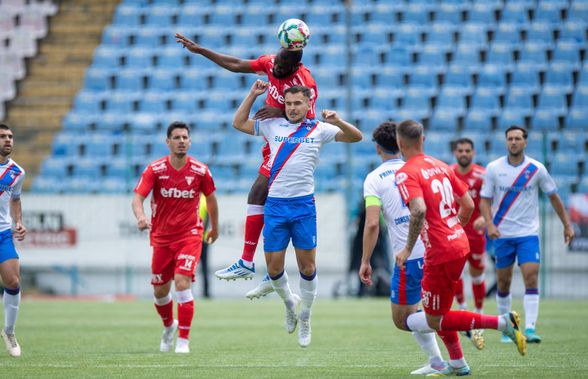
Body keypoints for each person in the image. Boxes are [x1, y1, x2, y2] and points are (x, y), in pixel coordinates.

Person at [175, 33, 318, 300]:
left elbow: (310, 120)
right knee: (266, 200)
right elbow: (237, 64)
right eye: (274, 64)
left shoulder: (305, 81)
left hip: (290, 146)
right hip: (272, 142)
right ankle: (269, 273)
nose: (274, 68)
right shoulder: (272, 62)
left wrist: (280, 110)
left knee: (260, 194)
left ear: (293, 67)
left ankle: (250, 263)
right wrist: (201, 50)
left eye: (280, 68)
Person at [233, 80, 362, 347]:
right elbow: (238, 123)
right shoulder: (272, 125)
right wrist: (252, 94)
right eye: (288, 103)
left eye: (297, 103)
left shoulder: (319, 129)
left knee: (308, 267)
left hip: (303, 206)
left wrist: (338, 121)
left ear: (307, 104)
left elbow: (356, 136)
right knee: (274, 268)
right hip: (276, 206)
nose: (292, 108)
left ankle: (306, 315)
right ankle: (290, 302)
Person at [395, 120, 527, 375]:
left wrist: (407, 248)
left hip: (440, 252)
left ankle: (503, 322)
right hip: (459, 242)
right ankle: (457, 363)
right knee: (440, 310)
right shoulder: (441, 165)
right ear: (423, 140)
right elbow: (466, 205)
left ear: (400, 143)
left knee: (434, 318)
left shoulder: (406, 172)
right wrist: (454, 228)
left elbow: (419, 209)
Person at [359, 121, 446, 375]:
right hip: (436, 248)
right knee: (417, 310)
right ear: (399, 144)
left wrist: (365, 260)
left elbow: (372, 223)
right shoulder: (419, 168)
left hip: (409, 256)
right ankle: (438, 361)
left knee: (402, 320)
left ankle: (460, 322)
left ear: (377, 149)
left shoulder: (374, 179)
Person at [479, 125, 575, 344]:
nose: (514, 142)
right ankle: (508, 329)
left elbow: (553, 197)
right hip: (502, 234)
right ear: (506, 142)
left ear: (525, 142)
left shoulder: (536, 168)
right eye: (510, 138)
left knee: (531, 277)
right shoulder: (494, 168)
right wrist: (489, 224)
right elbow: (484, 200)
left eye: (518, 138)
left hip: (527, 234)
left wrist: (567, 225)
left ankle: (530, 328)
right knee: (503, 282)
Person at [132, 121, 219, 354]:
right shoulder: (155, 169)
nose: (181, 141)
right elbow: (138, 198)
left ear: (190, 142)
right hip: (161, 237)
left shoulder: (200, 170)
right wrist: (141, 218)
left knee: (182, 281)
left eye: (185, 138)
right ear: (168, 142)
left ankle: (183, 340)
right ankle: (169, 326)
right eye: (177, 137)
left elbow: (211, 200)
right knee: (160, 292)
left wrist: (215, 228)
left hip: (190, 234)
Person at [450, 138, 487, 347]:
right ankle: (463, 311)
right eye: (460, 150)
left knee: (477, 273)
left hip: (475, 232)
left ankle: (479, 315)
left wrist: (485, 217)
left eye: (467, 150)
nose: (464, 153)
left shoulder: (482, 175)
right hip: (454, 232)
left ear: (473, 153)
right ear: (455, 153)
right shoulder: (448, 172)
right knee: (456, 274)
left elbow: (490, 200)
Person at [0, 124, 26, 358]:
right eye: (3, 137)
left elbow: (15, 199)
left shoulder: (17, 172)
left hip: (2, 234)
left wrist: (19, 221)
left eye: (10, 136)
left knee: (13, 281)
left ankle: (8, 331)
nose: (8, 140)